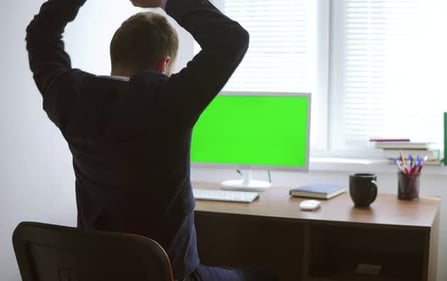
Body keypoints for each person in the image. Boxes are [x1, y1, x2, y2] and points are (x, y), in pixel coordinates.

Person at [26, 0, 277, 280]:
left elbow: (40, 35)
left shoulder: (71, 98)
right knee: (261, 275)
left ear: (115, 55)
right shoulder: (169, 102)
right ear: (164, 64)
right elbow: (232, 39)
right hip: (174, 275)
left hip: (96, 272)